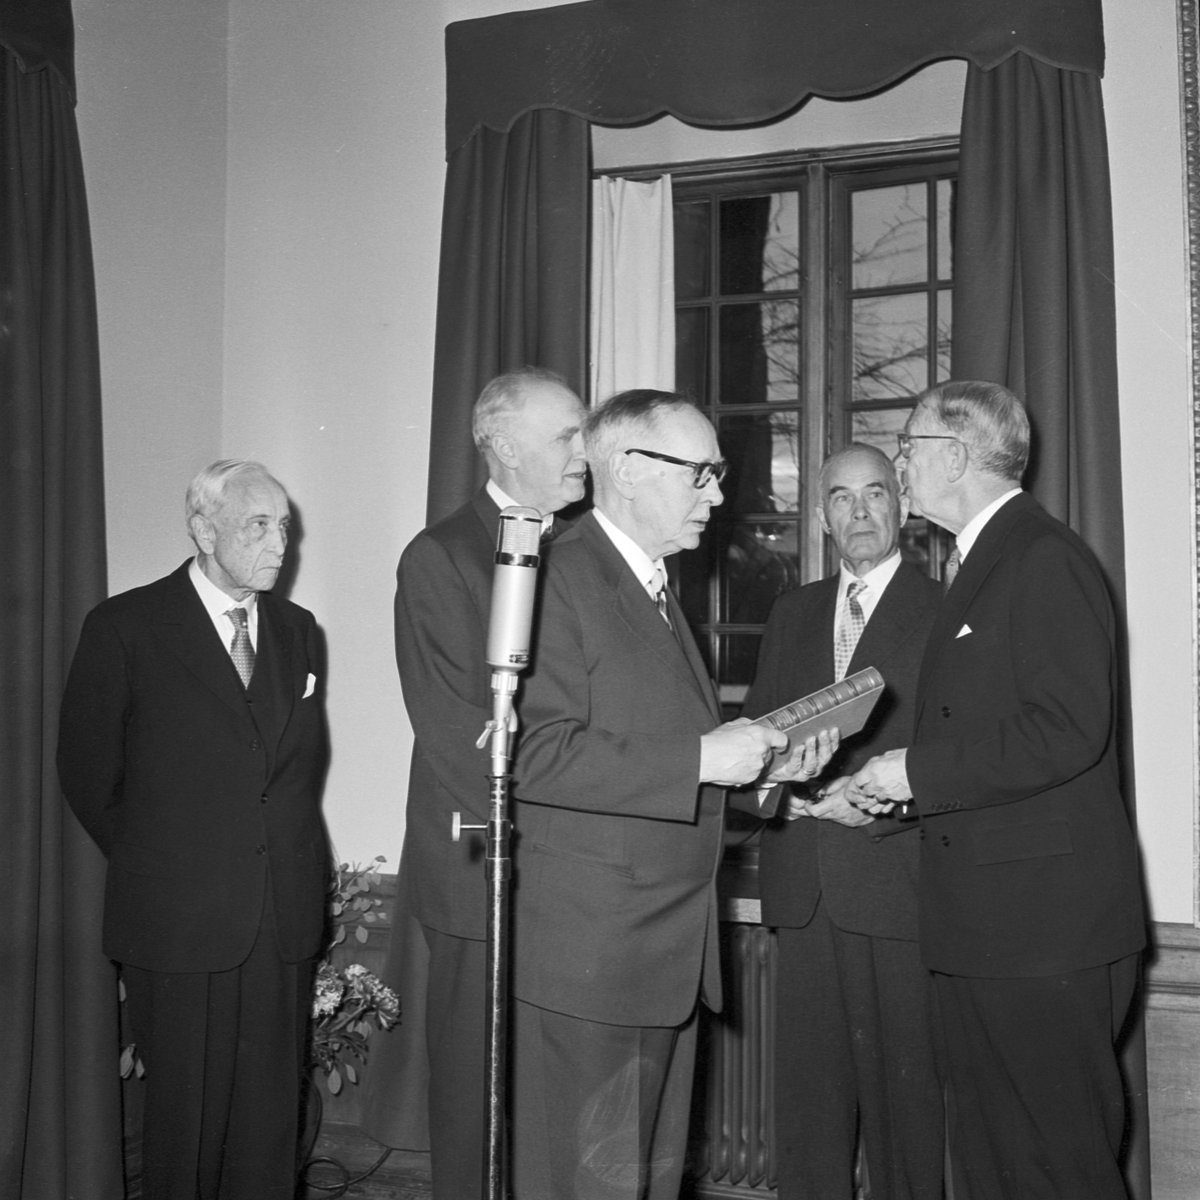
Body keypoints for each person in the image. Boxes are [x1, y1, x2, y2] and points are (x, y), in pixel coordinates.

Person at [508, 390, 834, 1200]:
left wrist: (763, 773)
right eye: (701, 475)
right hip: (594, 959)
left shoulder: (650, 585)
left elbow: (661, 752)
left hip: (662, 956)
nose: (718, 497)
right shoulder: (555, 577)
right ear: (624, 468)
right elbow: (534, 753)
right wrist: (702, 756)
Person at [849, 380, 1146, 1200]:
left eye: (908, 448)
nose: (901, 465)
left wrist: (912, 770)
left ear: (955, 455)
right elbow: (987, 733)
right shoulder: (985, 559)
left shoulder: (1040, 557)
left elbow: (1065, 728)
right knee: (995, 1165)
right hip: (996, 925)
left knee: (1054, 1167)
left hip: (1043, 930)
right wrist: (891, 787)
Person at [57, 460, 329, 1200]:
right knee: (184, 1134)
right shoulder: (125, 626)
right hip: (177, 923)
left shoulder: (301, 633)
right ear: (204, 530)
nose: (281, 543)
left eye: (285, 526)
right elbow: (88, 775)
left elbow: (294, 778)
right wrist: (172, 862)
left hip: (280, 919)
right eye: (259, 525)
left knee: (269, 1129)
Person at [361, 368, 590, 1199]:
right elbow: (463, 733)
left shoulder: (588, 553)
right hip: (484, 865)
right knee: (475, 1102)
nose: (584, 449)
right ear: (501, 444)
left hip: (572, 871)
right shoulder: (442, 556)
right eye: (567, 434)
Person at [738, 443, 943, 1200]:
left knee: (907, 1114)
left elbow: (963, 755)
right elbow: (758, 739)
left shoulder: (946, 611)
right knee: (808, 1113)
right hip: (805, 891)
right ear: (820, 514)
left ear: (903, 505)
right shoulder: (792, 613)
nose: (858, 513)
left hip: (898, 887)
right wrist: (778, 794)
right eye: (840, 499)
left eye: (875, 495)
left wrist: (889, 800)